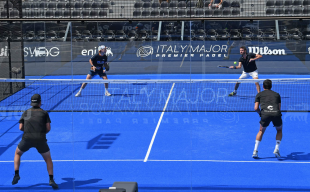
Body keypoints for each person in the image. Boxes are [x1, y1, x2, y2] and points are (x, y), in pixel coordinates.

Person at [13, 94, 58, 189]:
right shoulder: (44, 113)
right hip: (41, 140)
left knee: (17, 153)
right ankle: (51, 179)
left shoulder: (26, 112)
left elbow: (21, 127)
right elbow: (48, 128)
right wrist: (41, 132)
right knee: (48, 159)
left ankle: (16, 174)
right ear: (40, 102)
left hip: (27, 139)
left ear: (31, 102)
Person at [252, 79, 282, 158]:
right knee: (279, 130)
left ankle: (255, 151)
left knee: (261, 131)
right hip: (276, 114)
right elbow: (279, 108)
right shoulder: (277, 94)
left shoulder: (259, 94)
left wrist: (260, 114)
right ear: (271, 86)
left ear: (263, 86)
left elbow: (255, 108)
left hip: (265, 114)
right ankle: (276, 149)